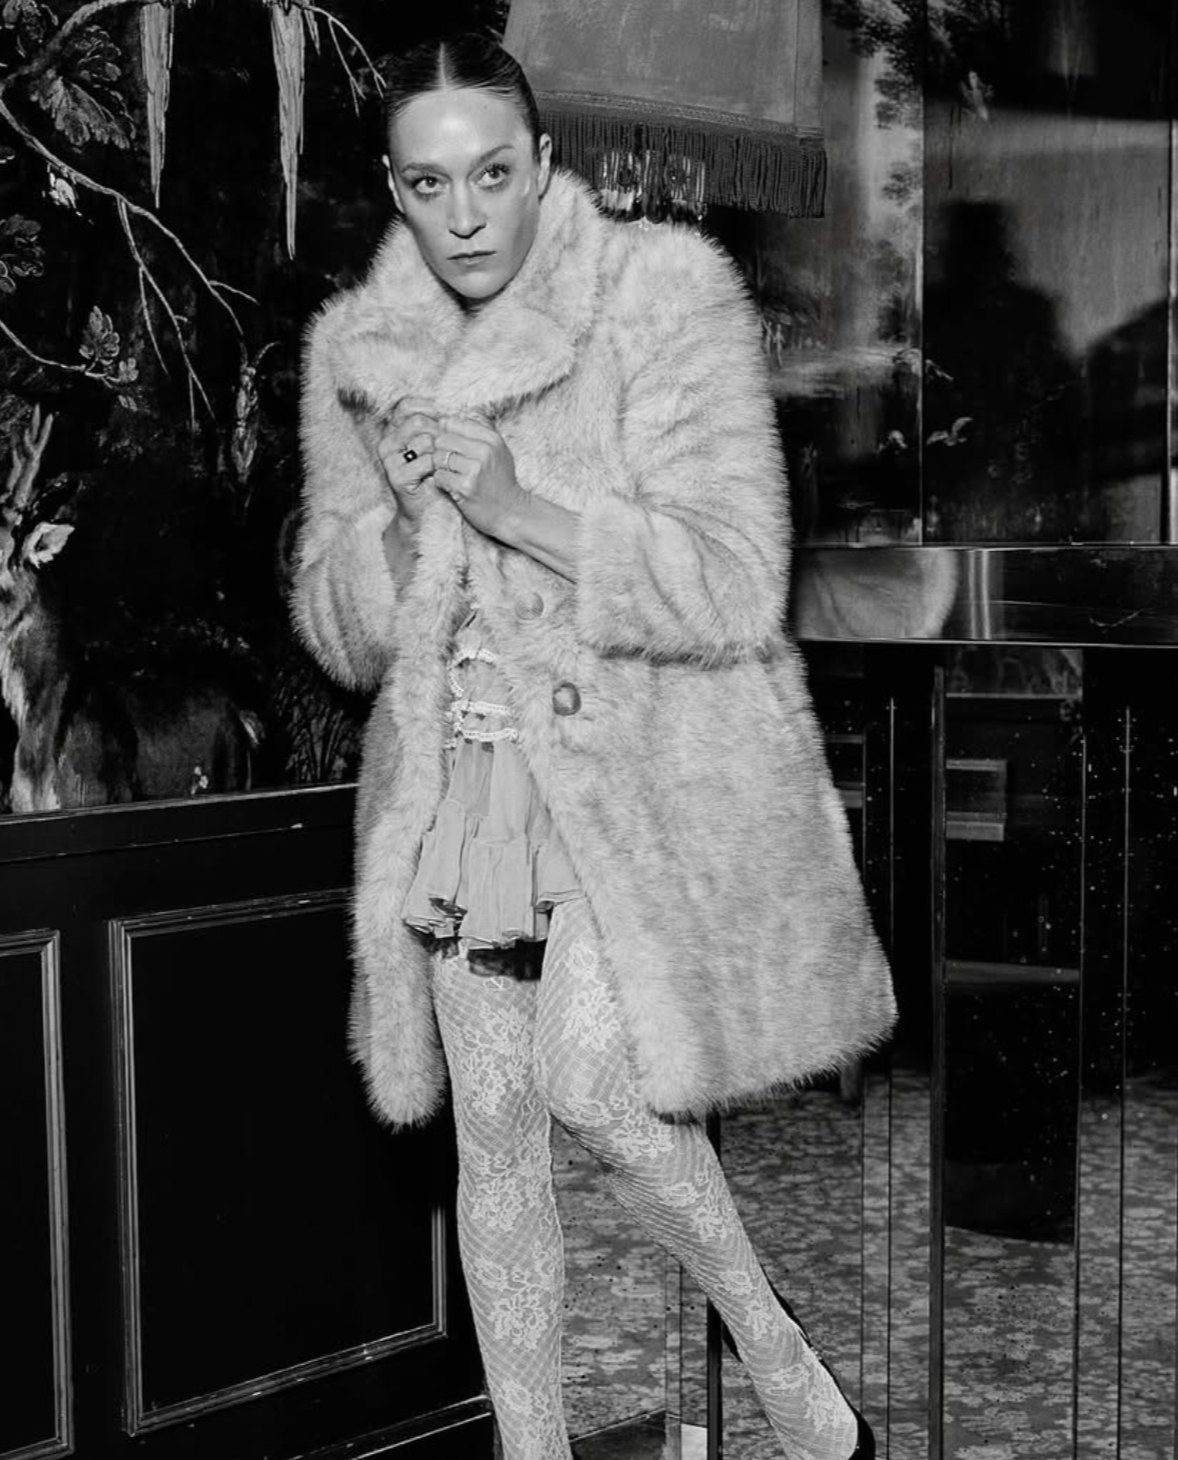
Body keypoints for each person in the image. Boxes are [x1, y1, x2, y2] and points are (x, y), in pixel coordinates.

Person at [293, 31, 895, 1460]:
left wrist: (520, 511)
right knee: (496, 1134)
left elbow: (733, 578)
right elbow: (338, 629)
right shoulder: (358, 355)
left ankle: (773, 1345)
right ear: (392, 186)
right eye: (429, 184)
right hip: (463, 788)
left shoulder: (663, 297)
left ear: (544, 161)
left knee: (591, 1085)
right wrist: (395, 530)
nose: (463, 216)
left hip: (639, 786)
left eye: (493, 173)